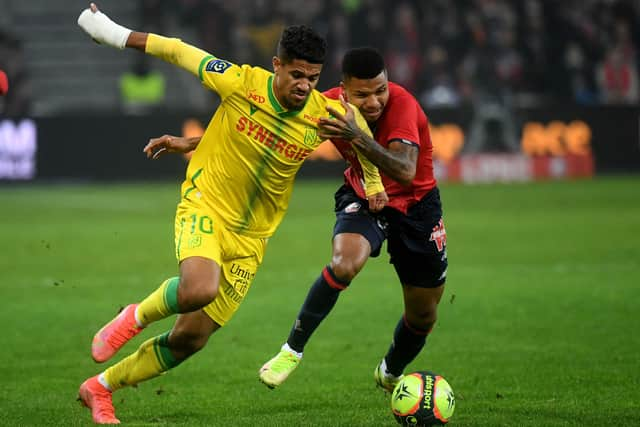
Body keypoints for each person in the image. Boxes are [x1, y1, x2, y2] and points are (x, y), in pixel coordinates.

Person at [75, 3, 386, 424]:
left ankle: (100, 388)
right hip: (206, 203)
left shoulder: (323, 115)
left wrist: (374, 183)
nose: (303, 86)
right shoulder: (239, 81)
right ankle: (134, 315)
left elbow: (361, 135)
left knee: (191, 338)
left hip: (253, 238)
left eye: (312, 79)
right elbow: (176, 50)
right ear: (276, 65)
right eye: (296, 75)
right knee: (199, 288)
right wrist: (109, 32)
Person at [258, 47, 448, 392]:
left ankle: (390, 371)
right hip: (363, 197)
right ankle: (291, 350)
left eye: (380, 90)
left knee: (423, 314)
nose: (375, 102)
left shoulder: (402, 104)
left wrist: (355, 134)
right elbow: (268, 131)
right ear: (344, 90)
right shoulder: (327, 105)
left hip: (418, 207)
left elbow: (405, 171)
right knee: (344, 264)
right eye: (362, 95)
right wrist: (196, 142)